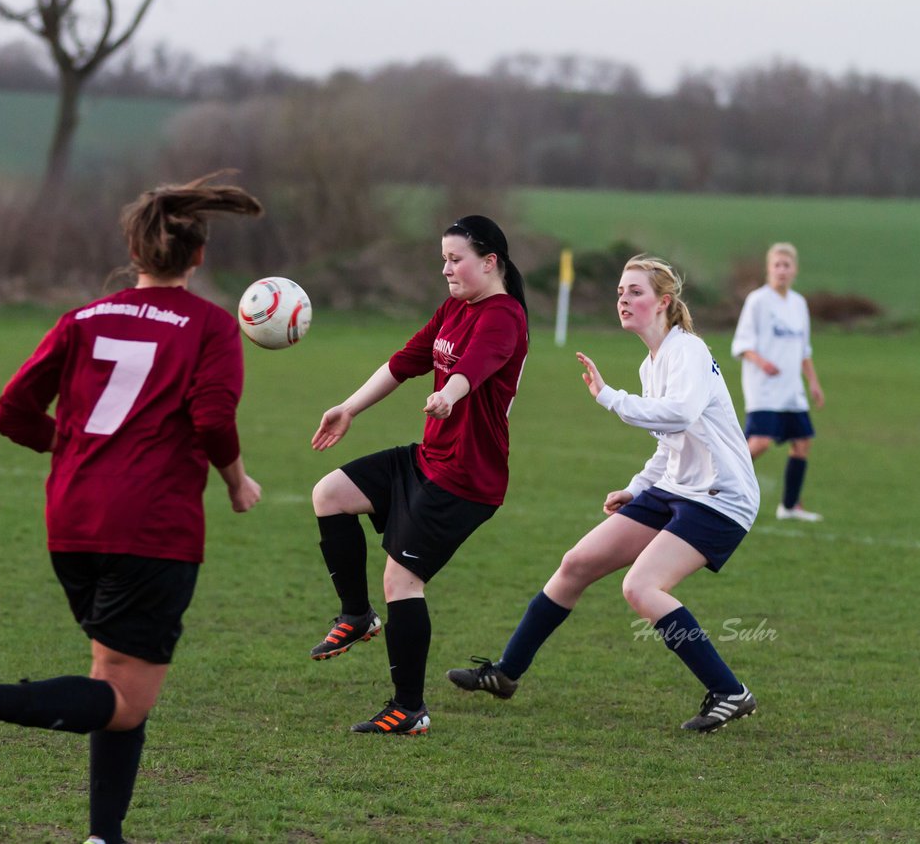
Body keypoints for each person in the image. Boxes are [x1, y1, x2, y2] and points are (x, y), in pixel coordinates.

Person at [0, 173, 265, 844]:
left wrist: (72, 445)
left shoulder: (82, 318)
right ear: (198, 257)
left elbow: (10, 411)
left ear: (135, 251)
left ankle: (103, 835)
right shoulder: (209, 328)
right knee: (123, 698)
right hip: (151, 528)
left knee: (113, 681)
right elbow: (210, 420)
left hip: (72, 522)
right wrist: (235, 480)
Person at [447, 255, 761, 733]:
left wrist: (609, 398)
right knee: (576, 563)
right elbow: (669, 443)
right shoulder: (651, 363)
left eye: (635, 291)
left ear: (664, 302)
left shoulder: (689, 352)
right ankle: (506, 674)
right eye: (620, 292)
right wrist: (636, 488)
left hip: (721, 496)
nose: (623, 300)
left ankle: (729, 691)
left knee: (640, 587)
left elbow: (678, 414)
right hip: (676, 488)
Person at [308, 215, 529, 736]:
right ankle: (356, 615)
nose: (446, 268)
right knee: (330, 494)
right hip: (428, 458)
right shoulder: (455, 307)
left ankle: (409, 708)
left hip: (466, 478)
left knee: (402, 579)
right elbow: (405, 361)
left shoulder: (504, 316)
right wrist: (348, 408)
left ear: (489, 262)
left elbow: (476, 366)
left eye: (456, 259)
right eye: (444, 258)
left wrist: (448, 395)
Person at [731, 242, 826, 521]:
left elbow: (803, 350)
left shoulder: (799, 303)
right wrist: (762, 362)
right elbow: (742, 344)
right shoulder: (757, 301)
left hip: (791, 389)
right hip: (763, 387)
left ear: (795, 270)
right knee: (760, 442)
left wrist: (814, 383)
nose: (781, 271)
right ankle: (718, 485)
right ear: (768, 269)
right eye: (777, 265)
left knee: (802, 441)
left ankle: (789, 506)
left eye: (787, 265)